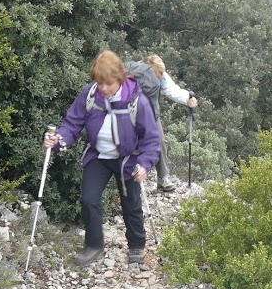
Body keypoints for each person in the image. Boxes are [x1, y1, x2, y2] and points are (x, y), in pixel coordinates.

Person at [44, 50, 161, 267]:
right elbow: (72, 124)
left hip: (128, 158)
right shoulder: (90, 95)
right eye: (99, 83)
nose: (103, 88)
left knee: (131, 203)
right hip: (98, 155)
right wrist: (58, 140)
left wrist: (144, 164)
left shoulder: (137, 102)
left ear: (120, 78)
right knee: (89, 199)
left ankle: (136, 245)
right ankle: (94, 246)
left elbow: (151, 140)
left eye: (108, 83)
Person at [142, 54, 198, 192]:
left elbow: (172, 90)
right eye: (157, 75)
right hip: (129, 114)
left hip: (151, 114)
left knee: (160, 141)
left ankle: (163, 178)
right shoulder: (135, 74)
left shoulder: (159, 73)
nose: (159, 78)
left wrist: (187, 99)